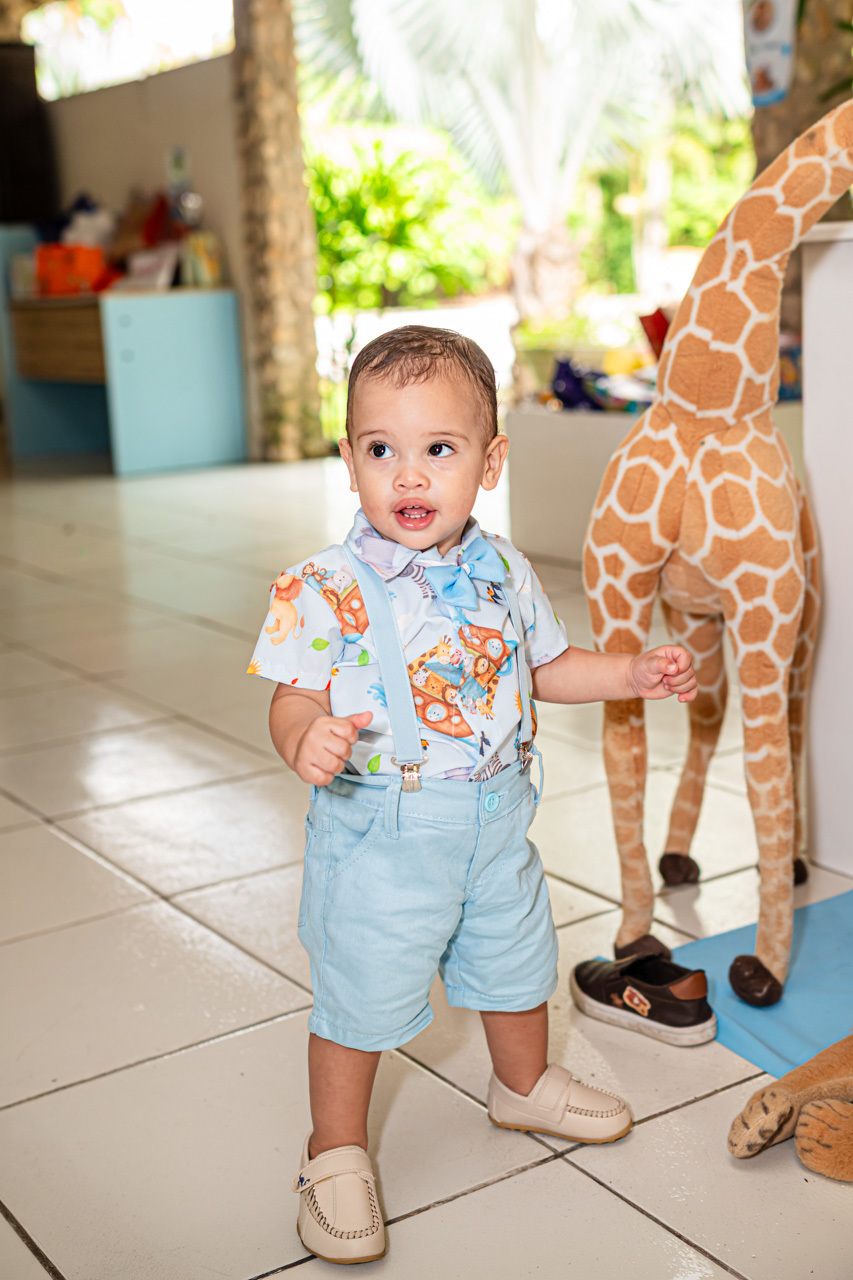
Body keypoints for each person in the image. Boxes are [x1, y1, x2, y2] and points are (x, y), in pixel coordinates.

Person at [248, 325, 697, 1265]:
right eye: (382, 451)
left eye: (438, 451)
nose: (408, 478)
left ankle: (521, 1085)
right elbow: (291, 694)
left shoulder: (503, 570)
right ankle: (332, 1153)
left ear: (489, 463)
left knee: (514, 963)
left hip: (497, 822)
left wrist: (627, 673)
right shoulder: (322, 589)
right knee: (359, 992)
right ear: (349, 459)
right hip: (381, 833)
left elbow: (551, 666)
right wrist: (306, 738)